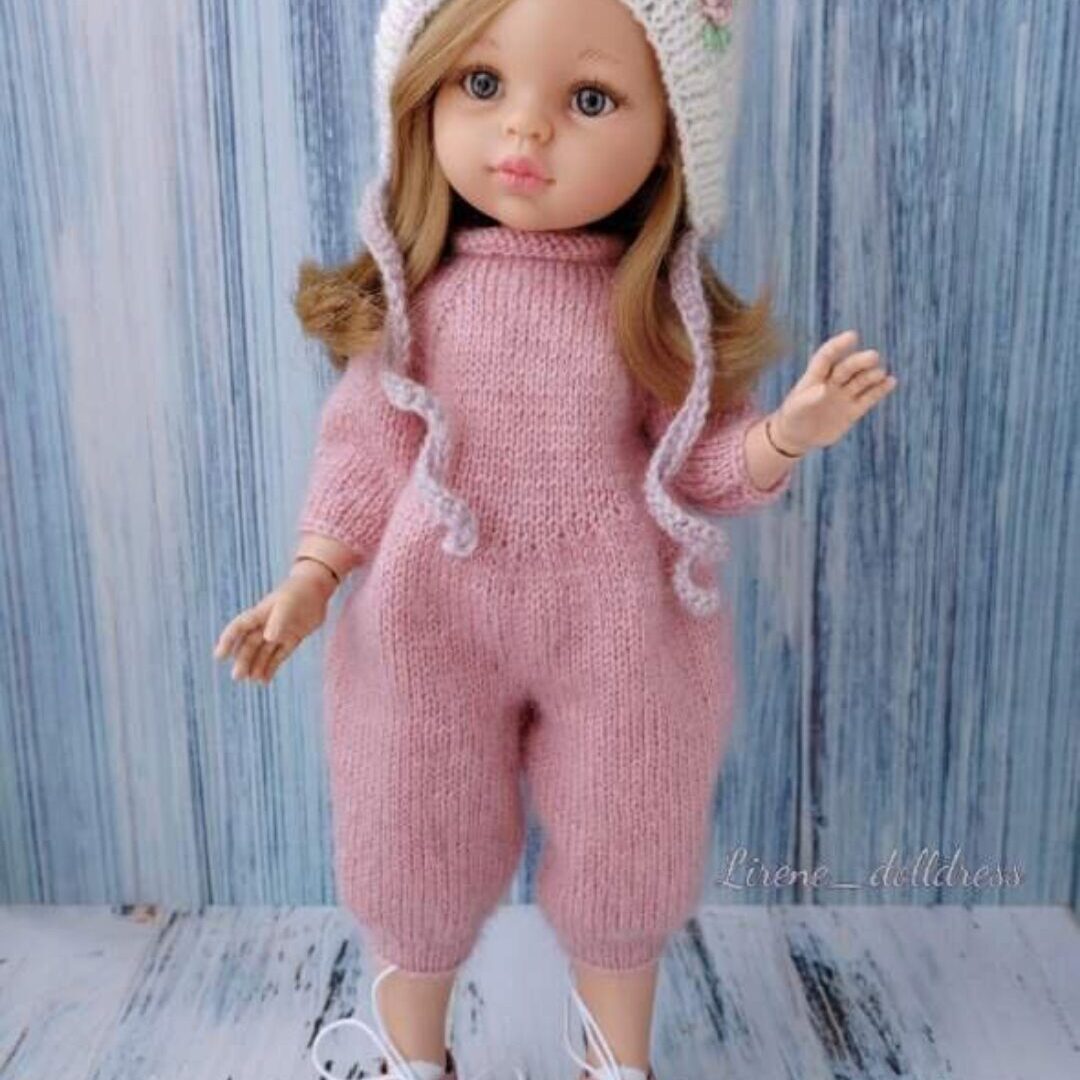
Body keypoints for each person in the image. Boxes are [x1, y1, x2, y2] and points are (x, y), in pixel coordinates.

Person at [214, 0, 897, 1077]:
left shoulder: (644, 313)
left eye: (589, 98)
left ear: (671, 139)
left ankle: (617, 1060)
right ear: (420, 99)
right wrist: (310, 576)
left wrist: (782, 437)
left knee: (630, 845)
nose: (525, 129)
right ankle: (410, 1055)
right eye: (482, 84)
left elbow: (700, 469)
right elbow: (362, 458)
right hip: (428, 625)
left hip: (617, 630)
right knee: (412, 838)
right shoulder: (417, 307)